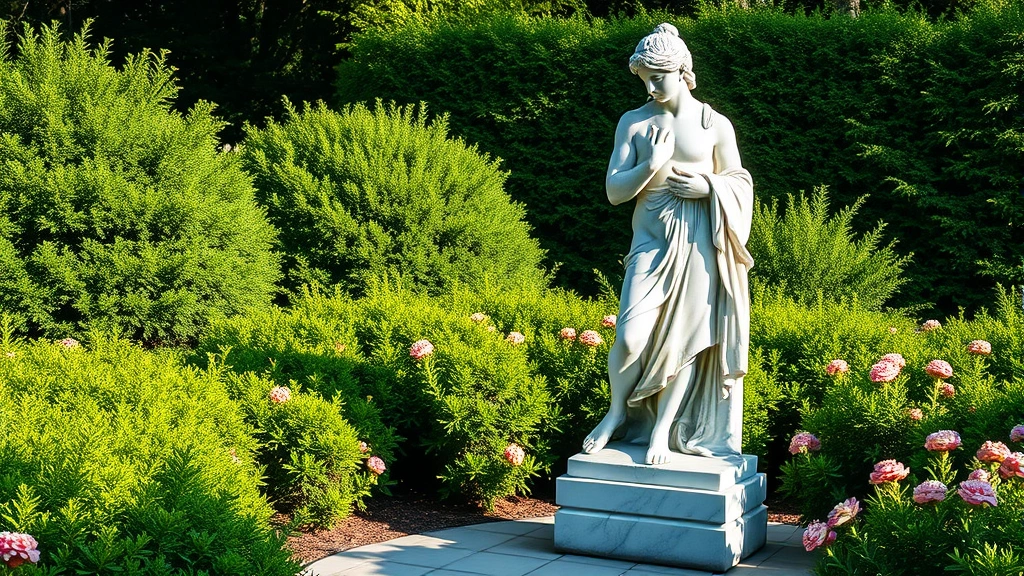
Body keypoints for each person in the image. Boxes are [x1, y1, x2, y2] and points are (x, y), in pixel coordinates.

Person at [582, 23, 754, 465]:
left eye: (658, 77)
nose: (651, 87)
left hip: (699, 247)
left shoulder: (714, 124)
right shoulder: (635, 122)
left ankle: (663, 431)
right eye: (645, 79)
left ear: (682, 70)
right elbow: (614, 192)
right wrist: (651, 165)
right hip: (651, 244)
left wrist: (708, 187)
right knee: (629, 338)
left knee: (684, 342)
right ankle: (617, 412)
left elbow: (739, 181)